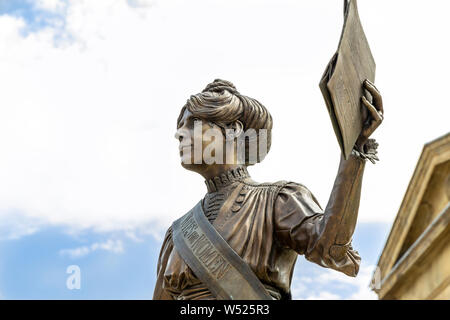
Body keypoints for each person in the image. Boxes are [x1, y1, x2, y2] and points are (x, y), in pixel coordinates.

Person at [153, 79, 383, 300]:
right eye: (180, 126)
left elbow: (330, 249)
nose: (179, 133)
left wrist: (354, 152)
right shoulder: (177, 234)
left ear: (233, 129)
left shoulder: (278, 201)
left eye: (193, 123)